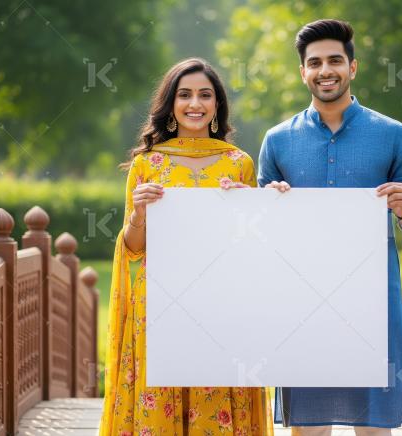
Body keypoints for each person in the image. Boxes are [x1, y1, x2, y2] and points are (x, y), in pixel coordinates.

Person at [258, 19, 402, 435]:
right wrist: (269, 204)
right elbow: (256, 231)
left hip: (374, 303)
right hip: (302, 306)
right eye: (314, 62)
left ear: (353, 67)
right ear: (303, 72)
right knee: (308, 429)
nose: (325, 70)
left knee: (373, 428)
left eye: (335, 60)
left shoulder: (392, 135)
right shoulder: (278, 140)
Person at [100, 57, 273, 436]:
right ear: (171, 105)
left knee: (216, 394)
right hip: (159, 299)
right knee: (161, 392)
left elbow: (253, 247)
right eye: (185, 95)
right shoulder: (148, 164)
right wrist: (139, 214)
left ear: (216, 106)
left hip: (221, 300)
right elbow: (133, 248)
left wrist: (249, 206)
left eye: (205, 95)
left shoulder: (238, 163)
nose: (195, 103)